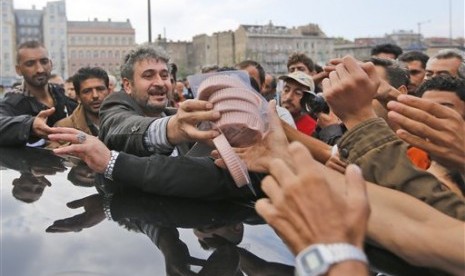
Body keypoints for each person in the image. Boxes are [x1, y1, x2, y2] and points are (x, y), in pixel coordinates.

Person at [99, 45, 220, 157]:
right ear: (128, 85)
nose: (160, 83)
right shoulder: (114, 106)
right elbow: (122, 129)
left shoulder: (180, 117)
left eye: (164, 75)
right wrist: (171, 129)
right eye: (148, 75)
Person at [0, 40, 77, 147]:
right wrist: (30, 125)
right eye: (30, 64)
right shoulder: (12, 101)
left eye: (44, 61)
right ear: (18, 70)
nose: (40, 69)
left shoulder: (60, 94)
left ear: (51, 64)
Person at [54, 67, 110, 136]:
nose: (95, 96)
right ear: (78, 96)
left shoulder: (124, 120)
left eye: (100, 89)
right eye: (87, 91)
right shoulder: (63, 128)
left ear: (109, 91)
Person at [279, 71, 317, 135]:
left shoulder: (313, 130)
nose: (288, 97)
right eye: (286, 90)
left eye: (298, 93)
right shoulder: (269, 121)